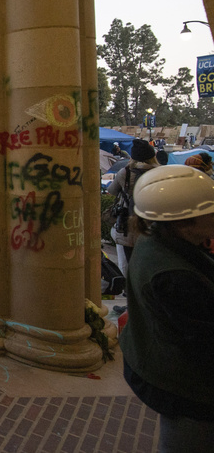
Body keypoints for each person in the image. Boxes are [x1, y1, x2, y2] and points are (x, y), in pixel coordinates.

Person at [121, 164, 214, 449]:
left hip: (162, 369)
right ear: (185, 222)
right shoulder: (173, 276)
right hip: (185, 385)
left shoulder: (156, 239)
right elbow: (203, 340)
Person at [107, 139, 158, 277]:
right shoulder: (158, 172)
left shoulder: (125, 172)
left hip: (128, 222)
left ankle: (131, 288)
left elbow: (112, 191)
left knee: (129, 260)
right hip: (154, 222)